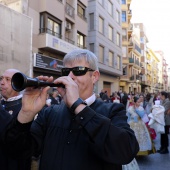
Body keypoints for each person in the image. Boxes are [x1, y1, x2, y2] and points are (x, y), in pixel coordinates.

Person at [3, 49, 139, 170]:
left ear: (94, 77)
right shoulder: (49, 113)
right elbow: (17, 151)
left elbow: (126, 151)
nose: (70, 76)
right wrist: (26, 113)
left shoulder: (113, 110)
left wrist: (77, 105)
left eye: (78, 71)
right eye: (66, 72)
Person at [0, 68, 31, 170]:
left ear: (17, 83)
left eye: (7, 79)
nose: (2, 82)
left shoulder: (26, 108)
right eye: (1, 78)